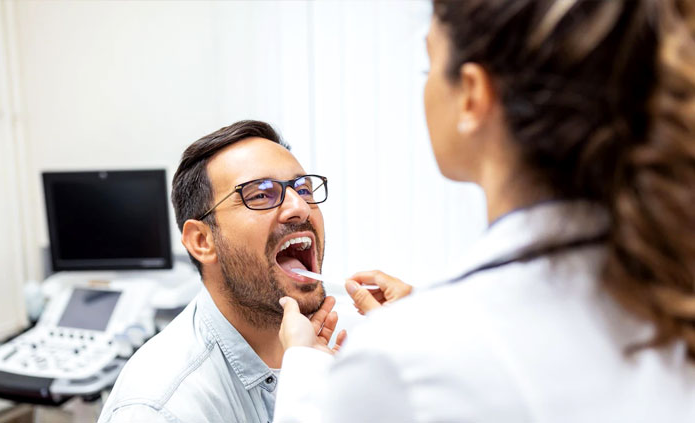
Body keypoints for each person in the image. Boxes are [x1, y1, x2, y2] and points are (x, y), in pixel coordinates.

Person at [274, 0, 695, 421]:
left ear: (473, 95)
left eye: (429, 67)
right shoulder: (669, 298)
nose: (295, 206)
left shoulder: (400, 365)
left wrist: (303, 364)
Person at [98, 120, 343, 423]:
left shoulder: (326, 349)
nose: (300, 207)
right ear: (202, 241)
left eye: (303, 188)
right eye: (260, 194)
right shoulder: (159, 409)